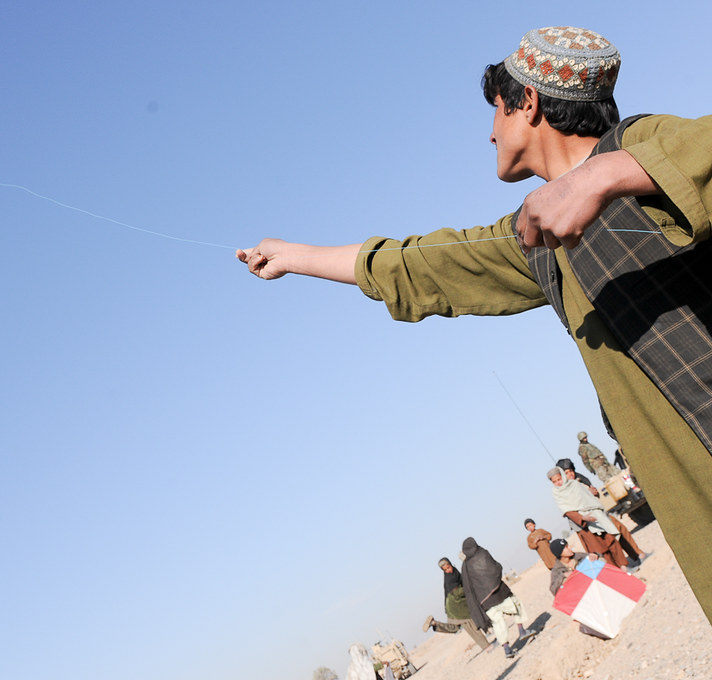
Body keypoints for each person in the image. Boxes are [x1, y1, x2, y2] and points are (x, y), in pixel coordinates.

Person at [236, 25, 712, 622]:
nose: (489, 132)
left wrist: (609, 174)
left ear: (528, 103)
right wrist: (298, 256)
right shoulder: (536, 239)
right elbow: (429, 263)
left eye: (496, 111)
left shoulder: (645, 145)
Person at [555, 459, 647, 562]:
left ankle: (637, 554)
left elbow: (594, 494)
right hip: (585, 521)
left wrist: (593, 492)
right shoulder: (563, 489)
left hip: (599, 514)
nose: (570, 474)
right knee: (601, 547)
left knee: (620, 529)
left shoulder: (581, 479)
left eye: (571, 471)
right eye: (566, 473)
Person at [460, 537, 536, 658]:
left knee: (498, 623)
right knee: (516, 605)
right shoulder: (482, 553)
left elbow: (469, 588)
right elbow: (495, 568)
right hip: (499, 593)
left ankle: (507, 649)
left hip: (484, 602)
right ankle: (522, 631)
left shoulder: (465, 566)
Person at [549, 538, 613, 639]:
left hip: (596, 588)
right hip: (582, 599)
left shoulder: (577, 556)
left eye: (567, 545)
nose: (569, 548)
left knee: (599, 561)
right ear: (560, 553)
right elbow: (554, 590)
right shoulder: (557, 570)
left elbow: (597, 557)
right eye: (565, 548)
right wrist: (564, 577)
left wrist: (595, 555)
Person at [423, 557, 490, 651]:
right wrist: (468, 588)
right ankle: (487, 646)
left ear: (451, 564)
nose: (448, 570)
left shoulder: (455, 573)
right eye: (445, 570)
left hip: (452, 606)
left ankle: (434, 623)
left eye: (448, 567)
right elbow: (457, 592)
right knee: (471, 626)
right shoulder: (450, 578)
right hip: (457, 607)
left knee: (454, 628)